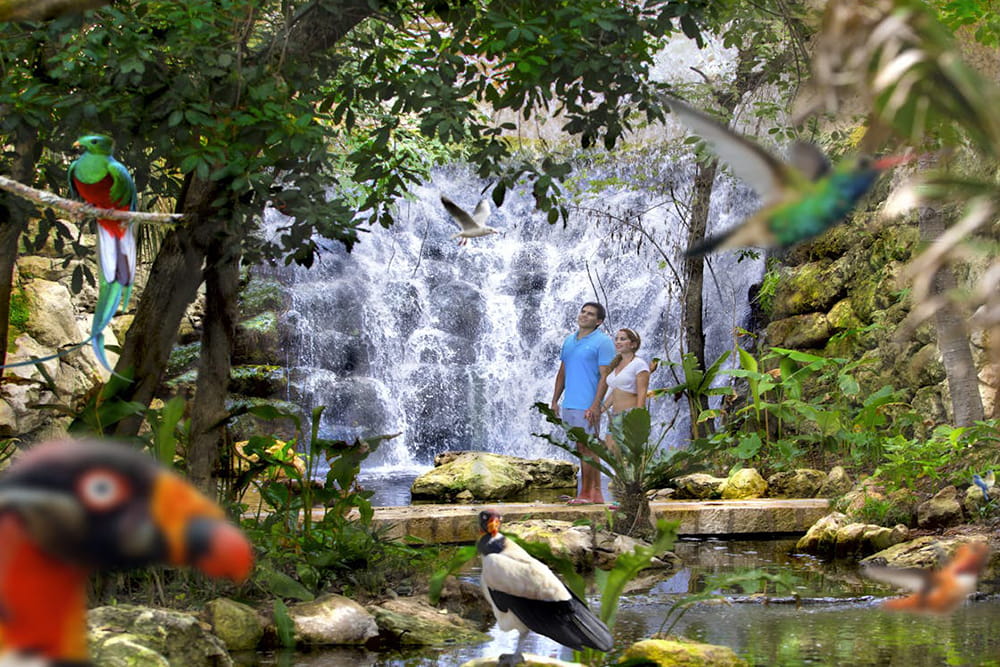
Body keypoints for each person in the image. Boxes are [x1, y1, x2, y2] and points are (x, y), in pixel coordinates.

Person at [550, 302, 615, 504]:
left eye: (590, 314)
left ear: (599, 321)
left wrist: (596, 405)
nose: (584, 316)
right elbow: (563, 372)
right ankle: (592, 494)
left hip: (587, 403)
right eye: (583, 312)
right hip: (570, 402)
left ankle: (588, 494)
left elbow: (606, 376)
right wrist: (554, 401)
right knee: (582, 448)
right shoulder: (569, 341)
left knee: (589, 448)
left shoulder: (603, 342)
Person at [601, 329, 651, 451]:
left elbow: (642, 393)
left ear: (633, 344)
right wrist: (600, 410)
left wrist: (638, 418)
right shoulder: (616, 365)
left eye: (622, 339)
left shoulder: (639, 364)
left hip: (629, 415)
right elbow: (615, 393)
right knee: (612, 452)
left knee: (625, 456)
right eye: (617, 339)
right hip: (614, 416)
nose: (618, 342)